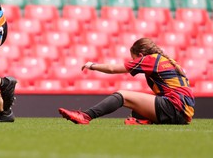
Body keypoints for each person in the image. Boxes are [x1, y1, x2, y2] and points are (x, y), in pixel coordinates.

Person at [59, 37, 195, 125]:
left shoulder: (150, 59)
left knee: (123, 95)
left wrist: (92, 65)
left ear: (140, 56)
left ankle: (85, 116)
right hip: (184, 113)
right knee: (139, 101)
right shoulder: (167, 60)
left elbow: (112, 69)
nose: (135, 61)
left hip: (175, 108)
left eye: (134, 58)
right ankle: (143, 120)